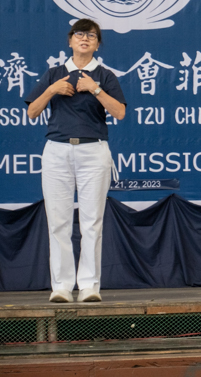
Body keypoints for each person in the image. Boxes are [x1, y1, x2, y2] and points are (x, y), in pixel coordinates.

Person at [26, 19, 126, 303]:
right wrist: (51, 90)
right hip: (57, 150)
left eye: (91, 36)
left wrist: (94, 89)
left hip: (93, 151)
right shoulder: (55, 74)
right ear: (70, 41)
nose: (85, 39)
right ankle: (61, 286)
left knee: (92, 220)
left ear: (97, 44)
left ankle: (89, 286)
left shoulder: (104, 75)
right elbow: (33, 111)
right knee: (58, 220)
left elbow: (119, 112)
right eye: (79, 34)